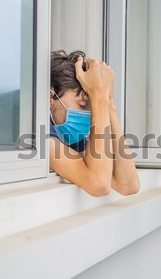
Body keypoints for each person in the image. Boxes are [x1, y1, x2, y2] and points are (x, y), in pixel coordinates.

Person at [49, 50, 140, 197]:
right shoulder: (38, 133)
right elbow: (99, 184)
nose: (88, 115)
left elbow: (128, 185)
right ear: (51, 97)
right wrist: (98, 96)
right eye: (83, 104)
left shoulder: (69, 137)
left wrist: (108, 102)